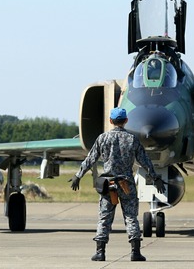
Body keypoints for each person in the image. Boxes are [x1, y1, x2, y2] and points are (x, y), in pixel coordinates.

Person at [69, 107, 165, 262]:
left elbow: (90, 159)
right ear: (126, 121)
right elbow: (145, 161)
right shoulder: (132, 139)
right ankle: (135, 252)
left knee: (104, 218)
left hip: (108, 185)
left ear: (110, 121)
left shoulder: (103, 138)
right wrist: (155, 178)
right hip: (126, 184)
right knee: (131, 217)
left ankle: (100, 252)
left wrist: (78, 175)